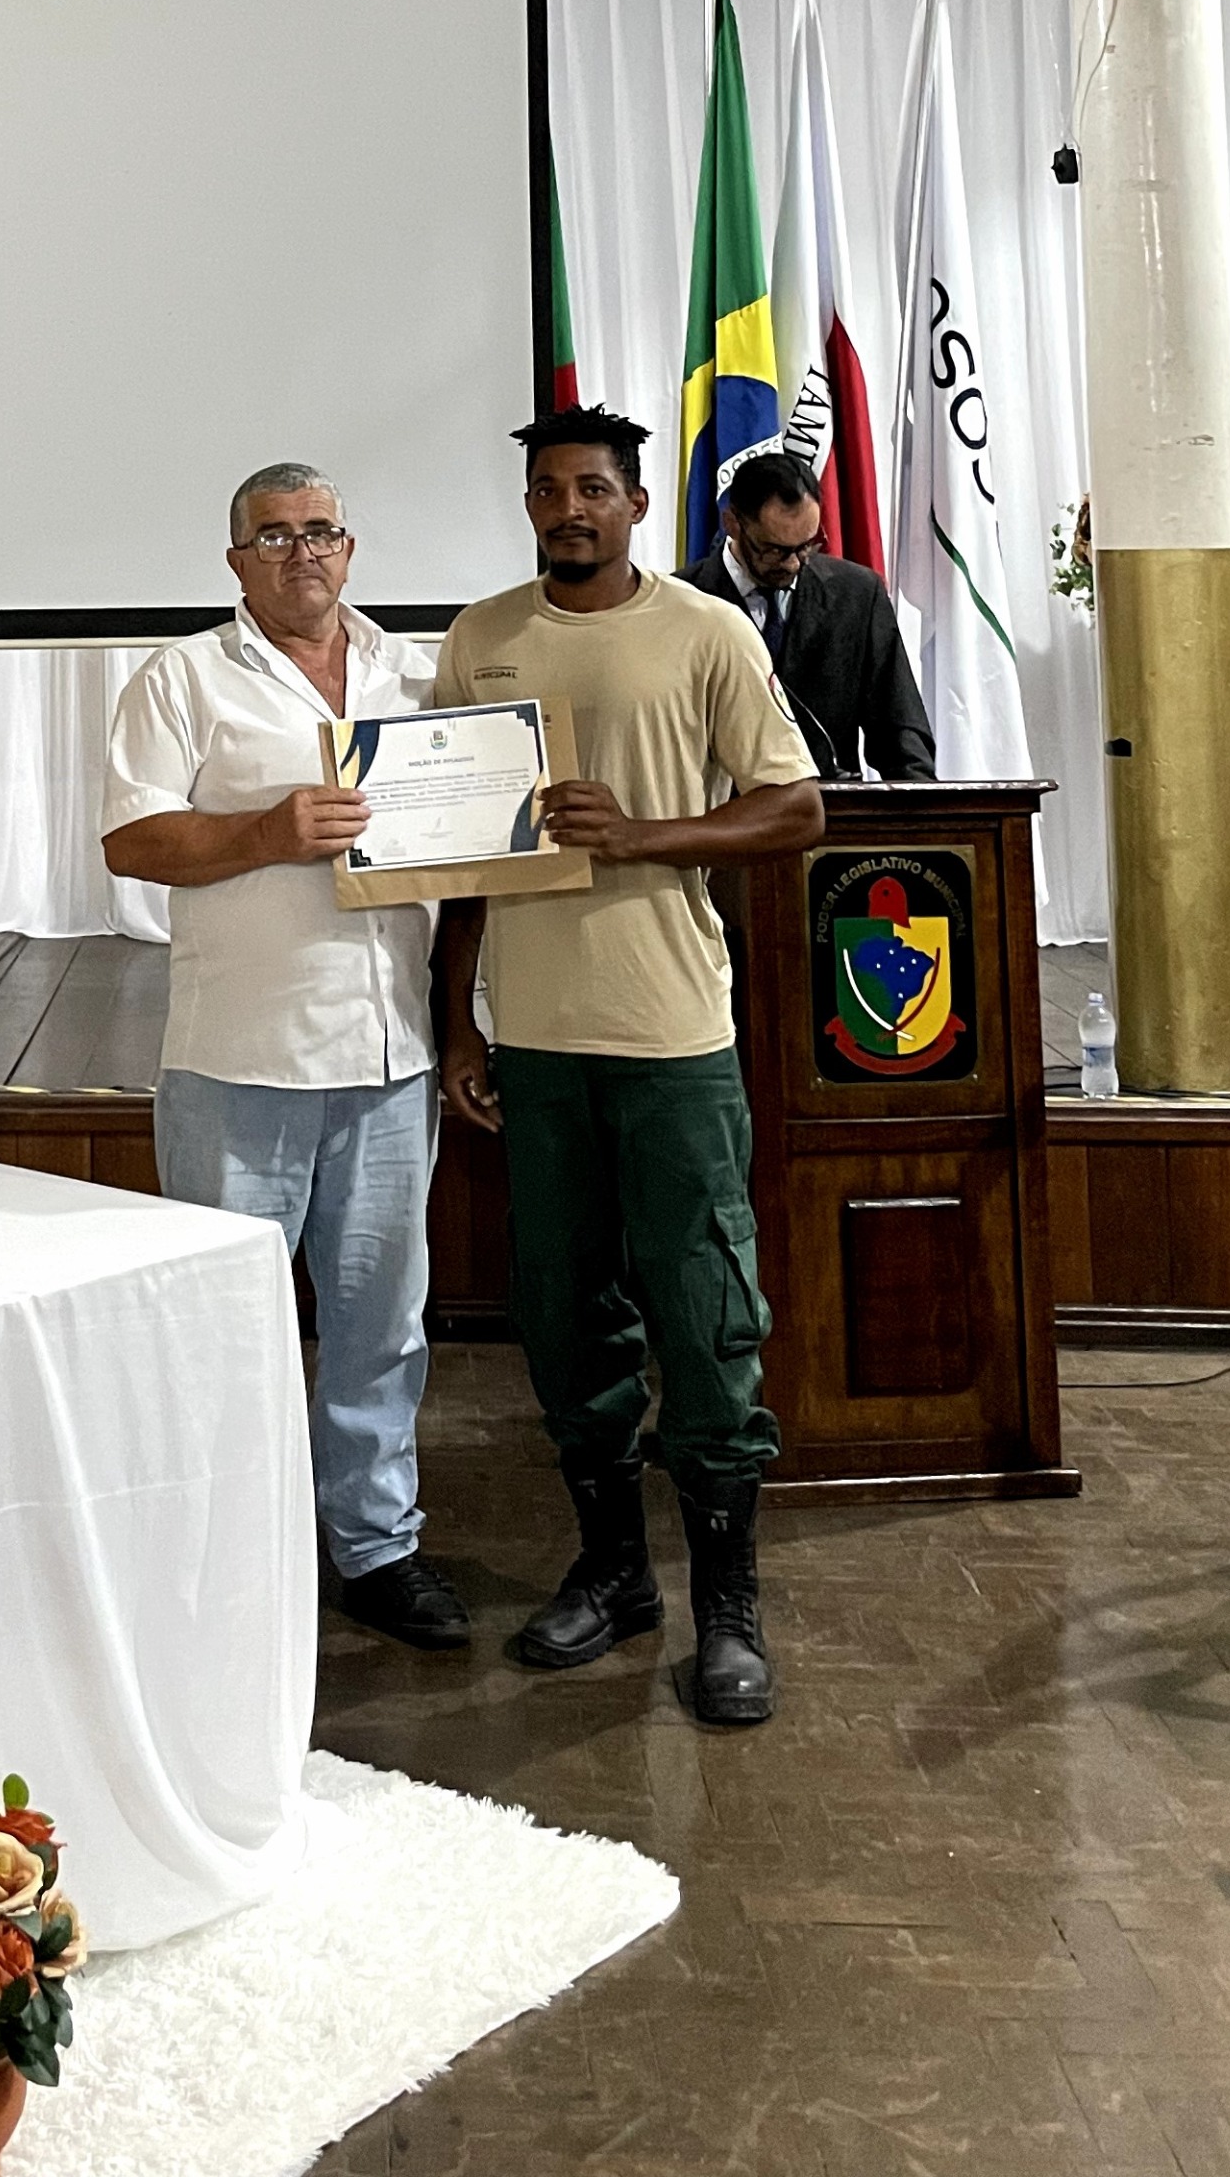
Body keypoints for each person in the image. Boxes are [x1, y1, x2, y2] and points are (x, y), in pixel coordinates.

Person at [433, 407, 821, 1722]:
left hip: (670, 1038)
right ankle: (613, 1570)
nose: (569, 509)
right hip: (537, 1043)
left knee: (706, 1319)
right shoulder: (481, 638)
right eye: (548, 490)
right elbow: (457, 855)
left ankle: (729, 1606)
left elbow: (797, 806)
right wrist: (458, 1022)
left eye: (592, 488)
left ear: (637, 505)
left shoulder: (704, 632)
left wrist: (643, 834)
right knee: (563, 1317)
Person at [102, 463, 468, 1651]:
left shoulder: (416, 673)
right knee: (222, 1328)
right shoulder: (183, 677)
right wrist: (266, 831)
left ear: (349, 548)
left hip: (391, 1053)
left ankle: (377, 1545)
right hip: (239, 1059)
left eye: (321, 531)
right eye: (274, 535)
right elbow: (131, 838)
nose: (302, 551)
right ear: (237, 560)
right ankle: (225, 1555)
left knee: (382, 1326)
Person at [685, 447, 935, 782]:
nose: (793, 563)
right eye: (775, 550)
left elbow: (899, 730)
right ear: (732, 524)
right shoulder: (683, 602)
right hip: (724, 809)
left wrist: (919, 807)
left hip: (829, 806)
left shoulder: (857, 595)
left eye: (805, 546)